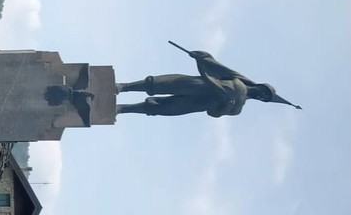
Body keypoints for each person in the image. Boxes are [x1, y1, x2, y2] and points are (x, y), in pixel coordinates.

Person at [115, 49, 301, 118]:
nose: (262, 95)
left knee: (159, 108)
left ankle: (122, 109)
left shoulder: (237, 108)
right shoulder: (238, 80)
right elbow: (219, 69)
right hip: (199, 85)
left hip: (197, 103)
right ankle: (123, 87)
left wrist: (225, 105)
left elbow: (213, 113)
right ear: (260, 86)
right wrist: (205, 58)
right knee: (159, 84)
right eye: (264, 92)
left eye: (265, 98)